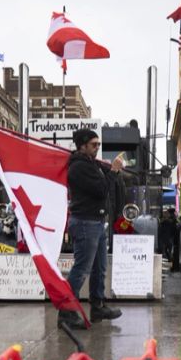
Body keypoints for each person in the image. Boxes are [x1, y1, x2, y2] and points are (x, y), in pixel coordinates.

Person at [61, 128, 124, 330]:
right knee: (81, 269)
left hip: (96, 221)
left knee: (99, 268)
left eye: (98, 144)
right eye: (94, 144)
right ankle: (67, 313)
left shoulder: (91, 164)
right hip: (86, 222)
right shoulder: (79, 167)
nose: (97, 148)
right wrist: (113, 171)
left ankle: (97, 306)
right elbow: (101, 190)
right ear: (82, 146)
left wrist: (111, 170)